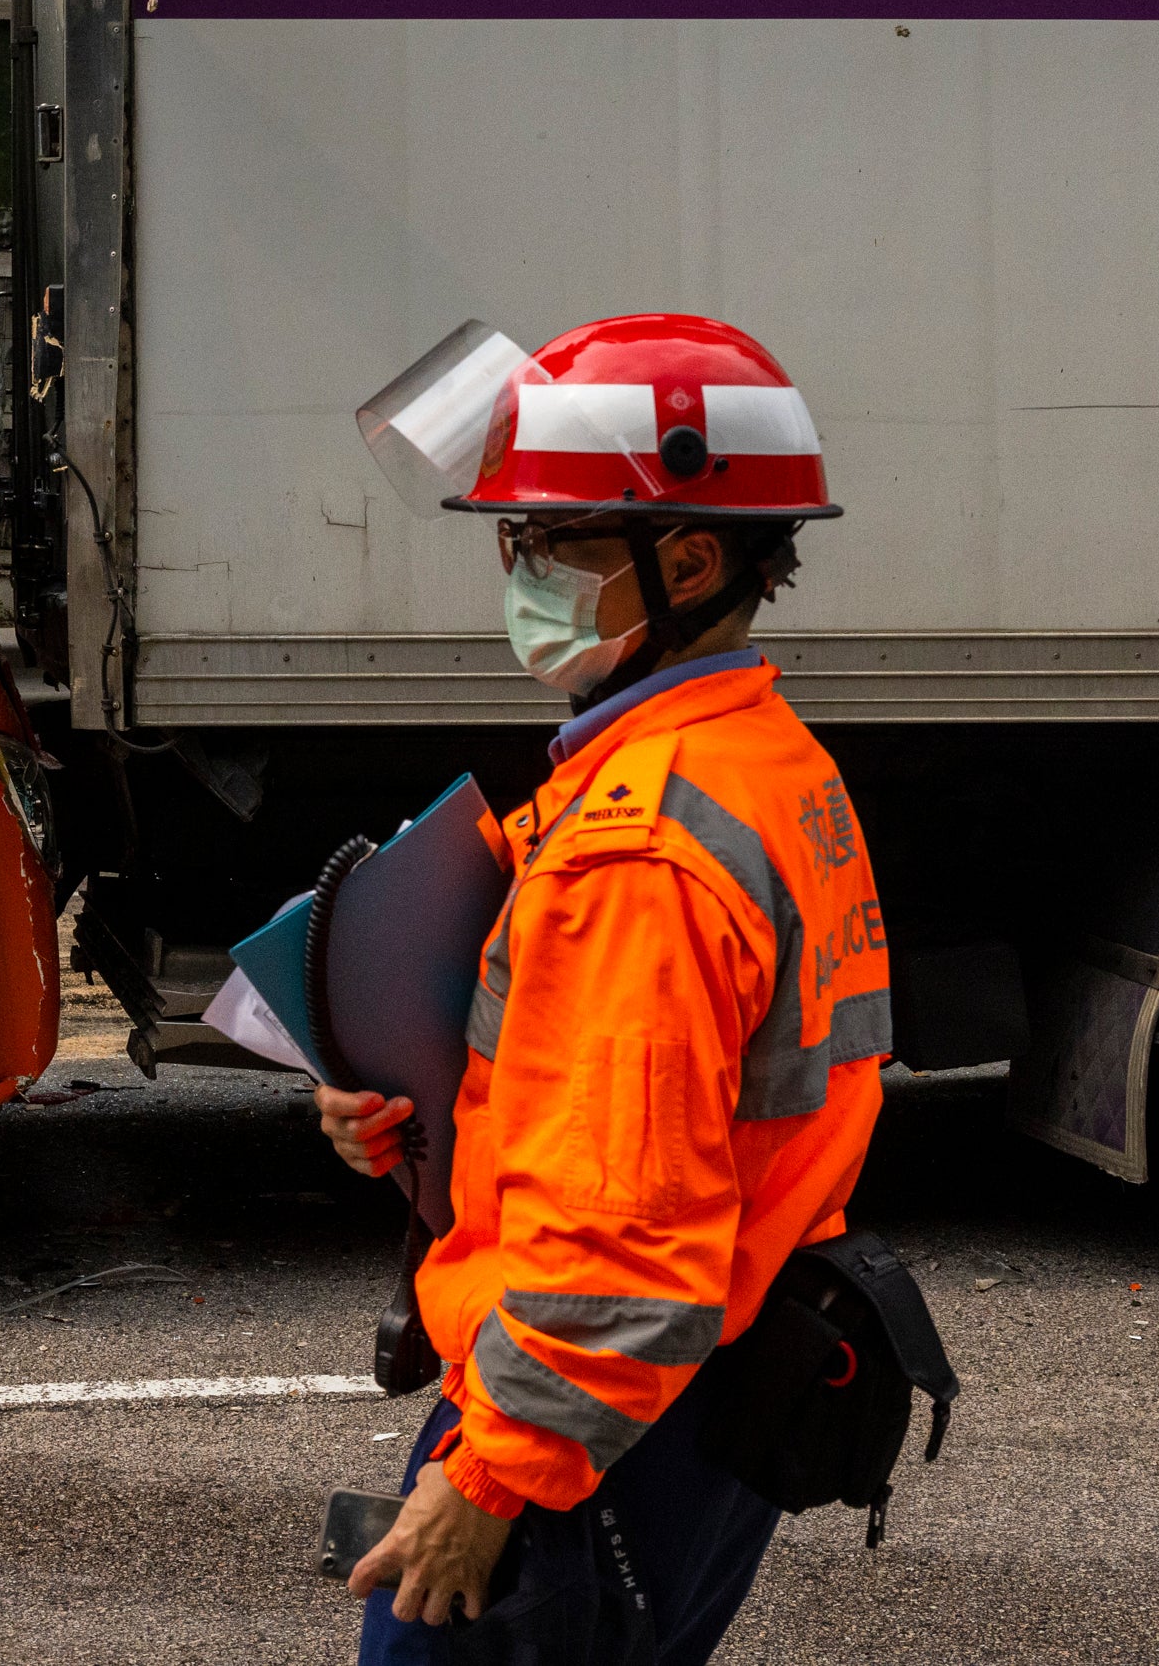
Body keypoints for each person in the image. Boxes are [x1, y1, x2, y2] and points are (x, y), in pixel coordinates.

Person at [319, 314, 888, 1665]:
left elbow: (629, 1223)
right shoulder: (760, 762)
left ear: (685, 559)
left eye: (543, 545)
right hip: (693, 1398)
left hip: (589, 1433)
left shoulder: (643, 842)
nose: (514, 575)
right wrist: (422, 1110)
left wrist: (494, 1479)